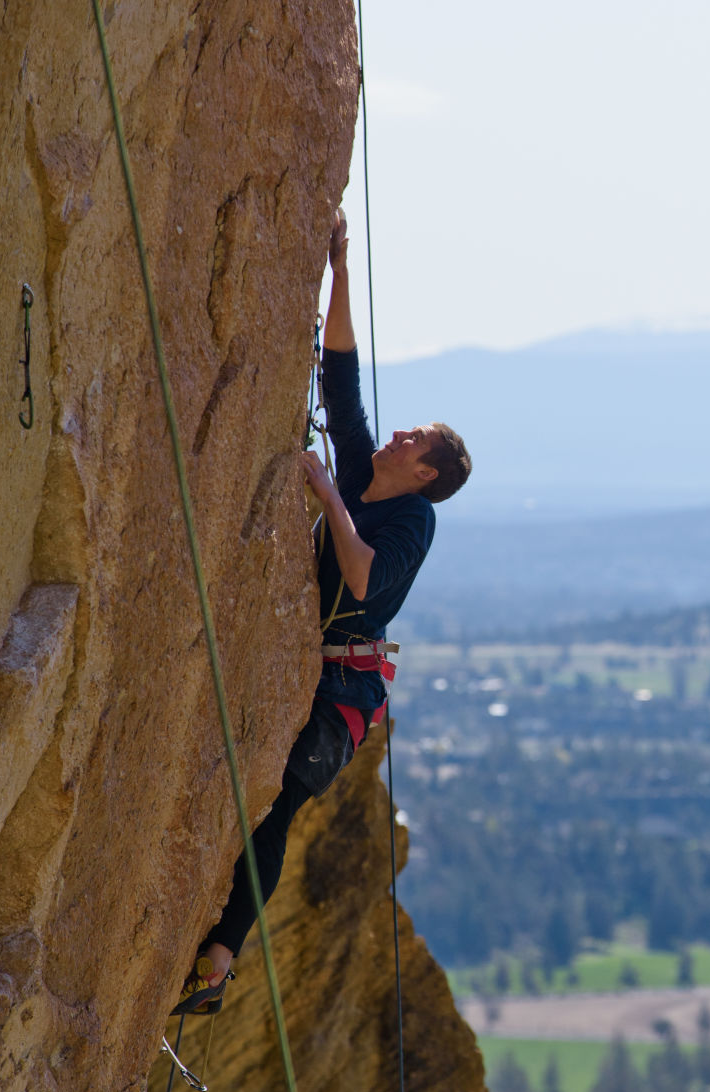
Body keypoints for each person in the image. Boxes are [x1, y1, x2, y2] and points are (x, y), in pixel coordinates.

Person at [173, 209, 471, 1015]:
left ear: (424, 475)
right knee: (255, 802)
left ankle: (219, 958)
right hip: (322, 672)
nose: (398, 434)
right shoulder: (364, 469)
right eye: (406, 431)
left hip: (341, 698)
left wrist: (330, 497)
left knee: (273, 814)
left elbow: (365, 580)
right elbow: (340, 371)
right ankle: (216, 958)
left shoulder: (412, 518)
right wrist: (340, 267)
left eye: (414, 442)